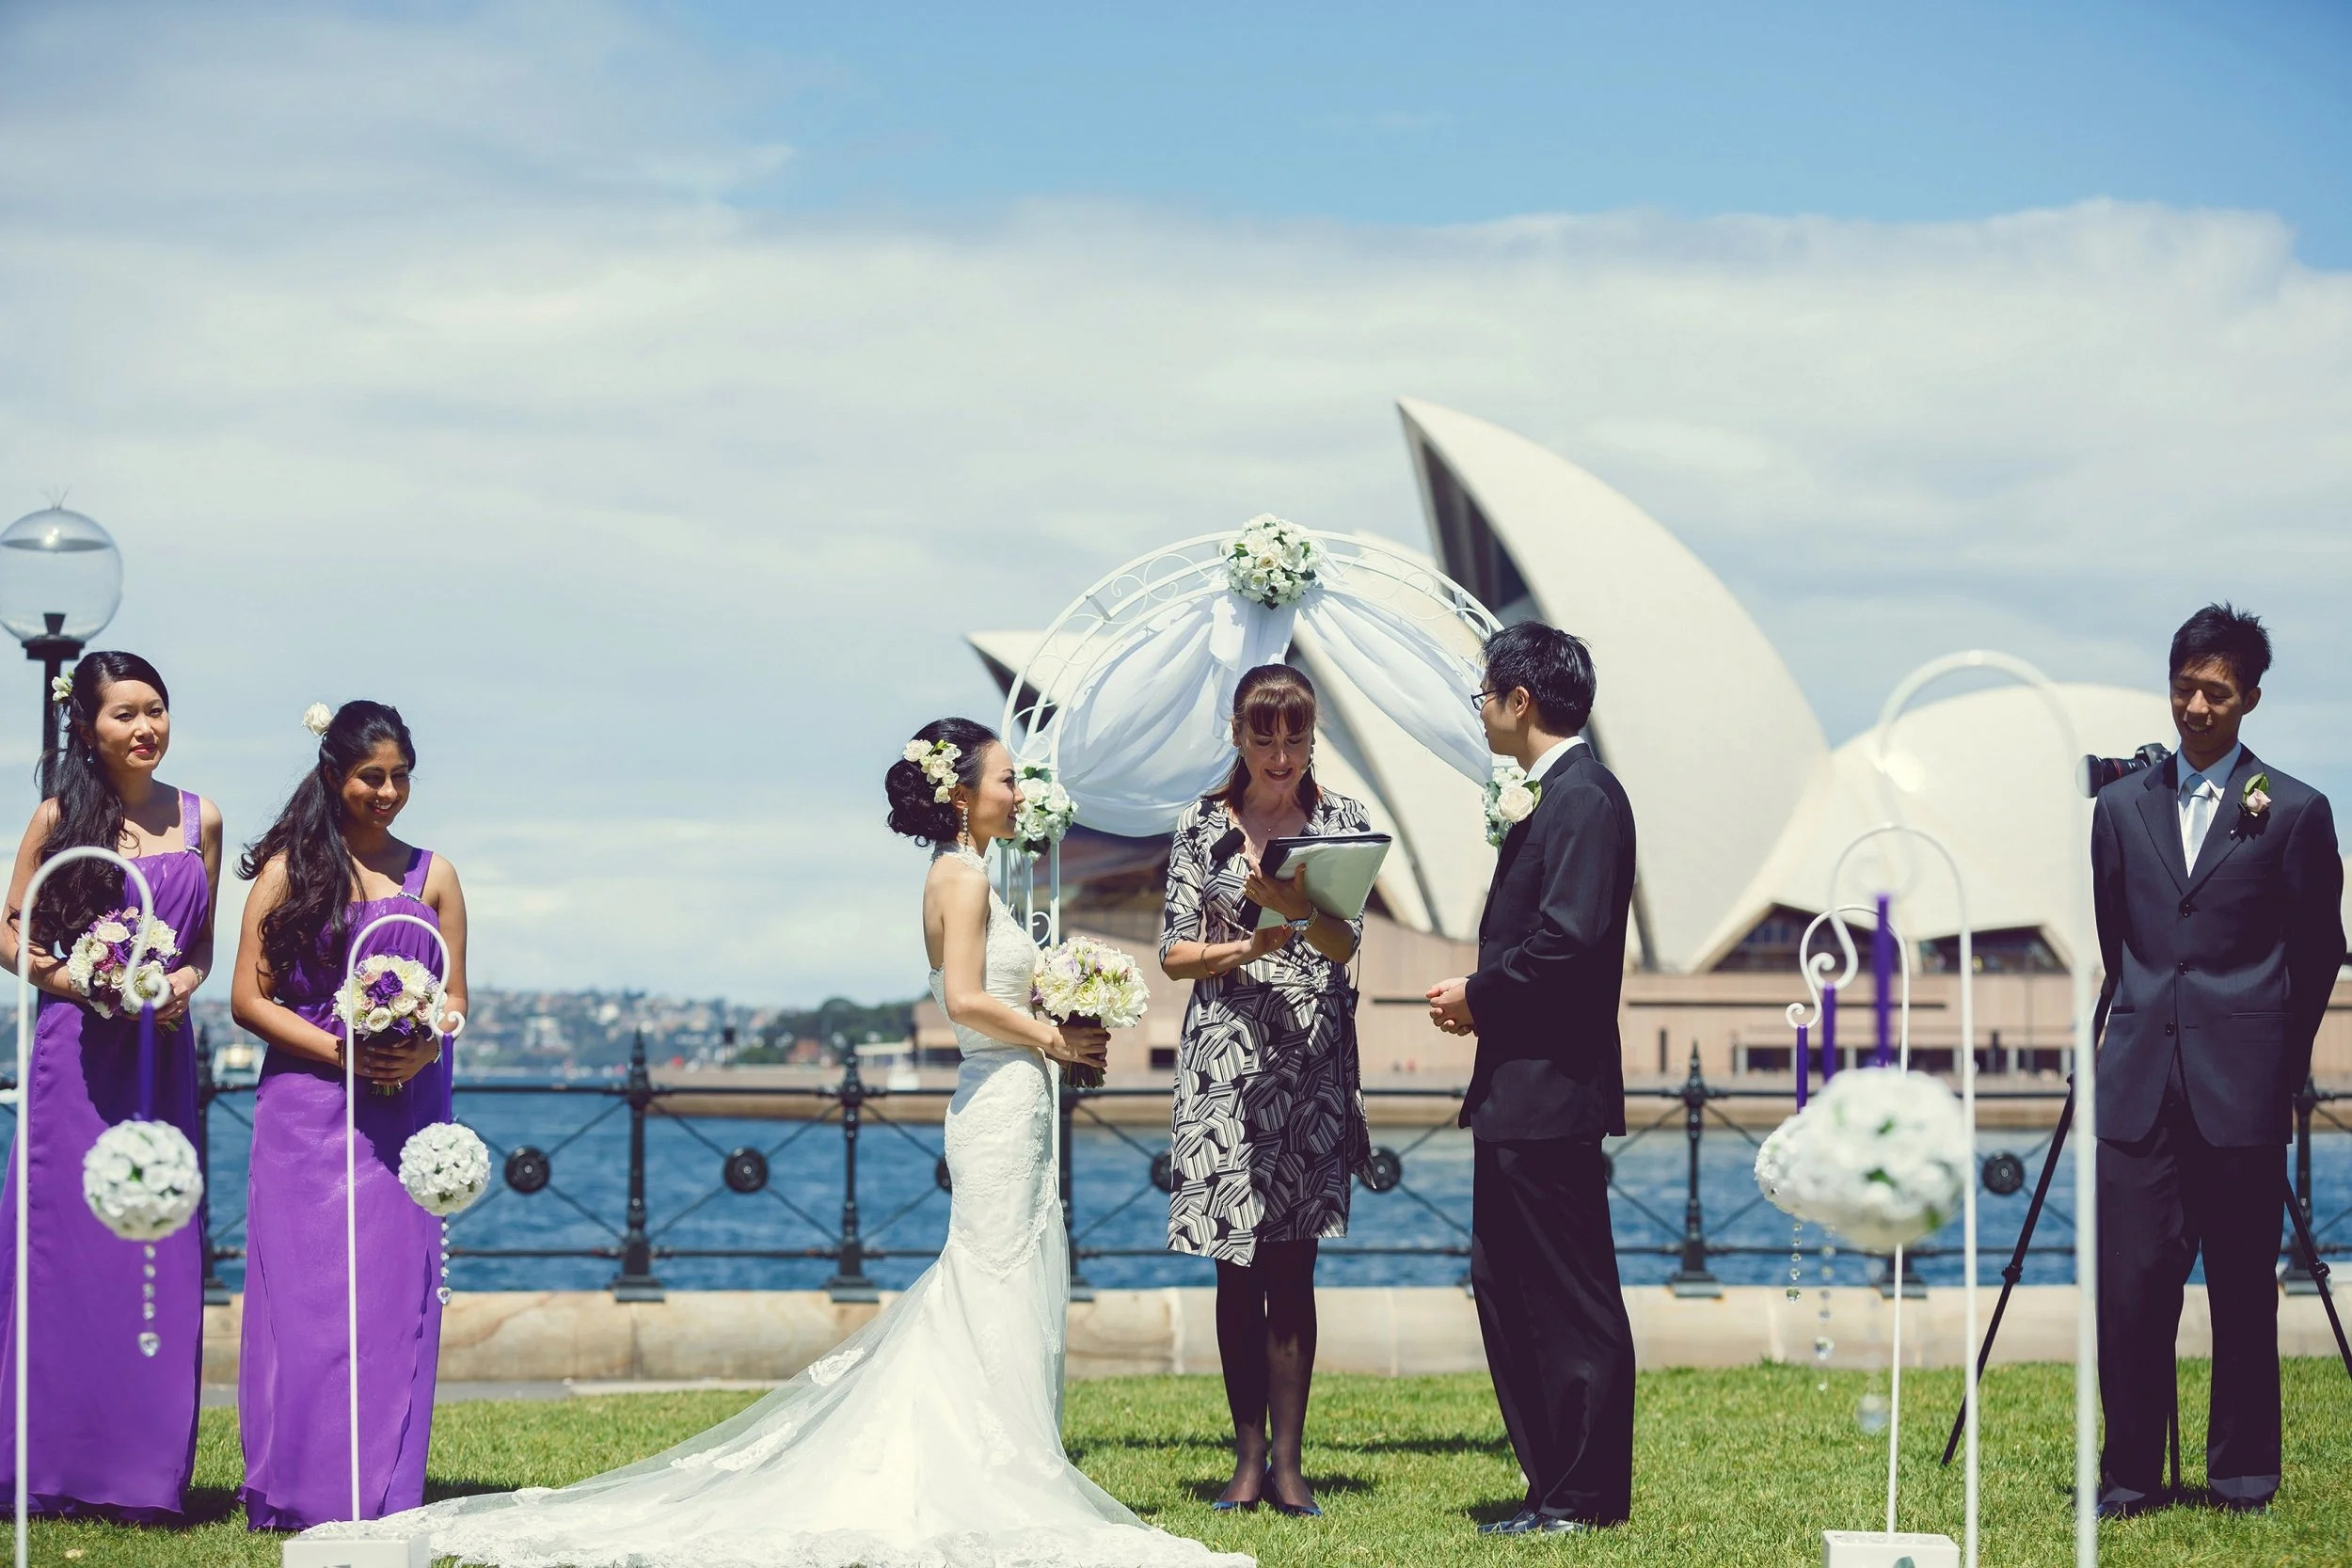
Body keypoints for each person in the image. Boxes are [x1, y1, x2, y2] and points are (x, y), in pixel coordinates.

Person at [312, 718, 1249, 1567]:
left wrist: (1059, 1011)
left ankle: (1007, 1443)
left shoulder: (975, 875)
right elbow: (962, 999)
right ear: (960, 791)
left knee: (1003, 1273)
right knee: (990, 1272)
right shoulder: (958, 880)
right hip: (998, 1097)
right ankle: (989, 1460)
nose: (1018, 791)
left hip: (1014, 1094)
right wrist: (1050, 1031)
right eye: (1006, 777)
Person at [2090, 604, 2342, 1518]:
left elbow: (2318, 950)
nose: (2196, 705)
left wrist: (2278, 1053)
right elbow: (2118, 939)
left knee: (2242, 1294)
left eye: (2217, 690)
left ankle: (2241, 1476)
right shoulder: (2117, 810)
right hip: (2136, 1086)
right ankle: (2128, 1476)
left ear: (2251, 698)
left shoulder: (2296, 812)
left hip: (2242, 1087)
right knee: (2128, 1292)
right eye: (2185, 685)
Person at [233, 701, 468, 1529]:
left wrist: (424, 1047)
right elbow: (245, 1000)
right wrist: (341, 1051)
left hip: (405, 1113)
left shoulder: (432, 874)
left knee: (394, 1302)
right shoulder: (288, 873)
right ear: (335, 774)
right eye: (374, 775)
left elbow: (457, 1000)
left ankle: (385, 1486)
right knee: (307, 1303)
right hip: (306, 1110)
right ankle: (298, 1484)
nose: (389, 790)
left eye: (401, 775)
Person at [1425, 621, 1636, 1536]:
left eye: (1485, 691)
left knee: (1564, 1292)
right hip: (1520, 1089)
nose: (1479, 707)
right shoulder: (1555, 796)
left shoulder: (1584, 797)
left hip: (1552, 1089)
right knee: (1507, 1283)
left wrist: (1479, 993)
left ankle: (1582, 1492)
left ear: (1520, 700)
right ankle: (1553, 1478)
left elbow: (1568, 941)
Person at [0, 652, 220, 1520]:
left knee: (155, 1254)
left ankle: (142, 1474)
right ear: (87, 727)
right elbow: (9, 930)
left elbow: (203, 945)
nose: (145, 728)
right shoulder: (59, 817)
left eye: (156, 709)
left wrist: (181, 984)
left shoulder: (201, 817)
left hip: (161, 1053)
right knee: (64, 1257)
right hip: (74, 1062)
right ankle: (44, 1467)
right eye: (125, 713)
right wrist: (72, 981)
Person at [1160, 664, 1370, 1517]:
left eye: (1295, 734)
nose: (1281, 753)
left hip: (1311, 1061)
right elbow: (1174, 951)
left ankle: (1290, 1464)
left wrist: (1295, 909)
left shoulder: (1344, 822)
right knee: (1234, 1271)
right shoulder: (1201, 828)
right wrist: (1247, 942)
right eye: (1263, 734)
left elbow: (1345, 943)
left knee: (1296, 1265)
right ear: (1239, 736)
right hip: (1226, 1063)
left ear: (1312, 735)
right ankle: (1246, 1459)